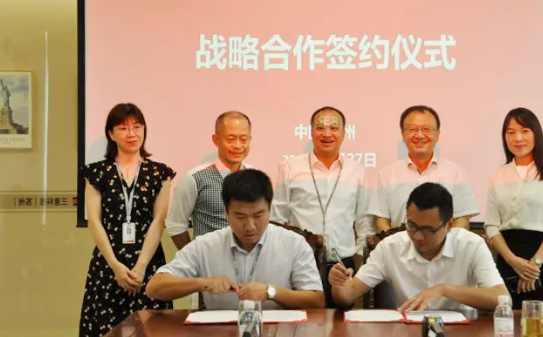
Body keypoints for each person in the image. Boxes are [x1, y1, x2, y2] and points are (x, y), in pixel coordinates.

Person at [147, 169, 325, 309]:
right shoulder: (206, 245)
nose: (250, 226)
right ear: (227, 213)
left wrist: (271, 292)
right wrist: (203, 283)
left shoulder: (293, 243)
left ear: (270, 209)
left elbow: (317, 300)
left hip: (279, 334)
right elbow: (154, 288)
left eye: (258, 215)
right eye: (240, 216)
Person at [330, 183, 509, 311]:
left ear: (449, 225)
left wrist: (444, 290)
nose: (417, 236)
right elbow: (346, 296)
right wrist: (339, 285)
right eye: (412, 226)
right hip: (406, 336)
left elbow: (502, 299)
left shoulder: (471, 245)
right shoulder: (390, 247)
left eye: (428, 230)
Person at [79, 103, 175, 337]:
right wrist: (115, 266)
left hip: (148, 262)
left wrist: (141, 267)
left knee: (151, 336)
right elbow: (94, 221)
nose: (132, 134)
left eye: (137, 127)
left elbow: (159, 221)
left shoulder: (160, 173)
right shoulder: (97, 173)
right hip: (109, 263)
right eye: (123, 128)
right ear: (111, 134)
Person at [271, 106, 373, 308]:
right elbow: (277, 219)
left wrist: (359, 264)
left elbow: (364, 223)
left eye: (334, 128)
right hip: (301, 263)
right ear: (310, 132)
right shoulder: (290, 168)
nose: (327, 134)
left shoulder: (357, 170)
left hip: (343, 264)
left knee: (341, 324)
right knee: (303, 321)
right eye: (320, 128)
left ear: (344, 133)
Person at [485, 108, 543, 322]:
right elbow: (491, 225)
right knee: (508, 323)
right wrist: (512, 260)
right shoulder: (498, 175)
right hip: (508, 256)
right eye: (511, 132)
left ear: (536, 134)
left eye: (524, 131)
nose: (518, 138)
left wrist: (534, 265)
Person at [369, 105, 479, 231]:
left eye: (426, 129)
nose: (419, 135)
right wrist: (394, 242)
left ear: (437, 135)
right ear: (403, 134)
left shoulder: (457, 173)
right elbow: (381, 220)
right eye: (412, 129)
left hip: (446, 243)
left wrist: (445, 241)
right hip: (399, 243)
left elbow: (462, 219)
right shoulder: (386, 175)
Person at [166, 111, 252, 250]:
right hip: (209, 261)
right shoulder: (195, 178)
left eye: (243, 139)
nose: (237, 145)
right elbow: (175, 226)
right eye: (230, 139)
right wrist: (194, 258)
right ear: (216, 140)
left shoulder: (255, 177)